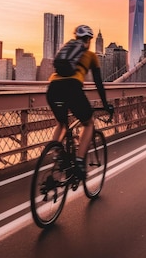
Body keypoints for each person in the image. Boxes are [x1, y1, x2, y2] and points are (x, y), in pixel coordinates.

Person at [46, 24, 113, 181]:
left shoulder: (65, 50)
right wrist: (105, 103)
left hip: (53, 88)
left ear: (76, 37)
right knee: (88, 123)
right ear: (89, 40)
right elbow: (98, 83)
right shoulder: (90, 55)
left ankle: (57, 154)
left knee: (61, 124)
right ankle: (79, 161)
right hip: (72, 88)